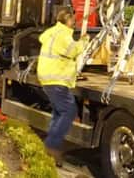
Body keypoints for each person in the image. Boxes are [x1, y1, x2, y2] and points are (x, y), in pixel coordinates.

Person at [37, 8, 88, 165]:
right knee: (69, 111)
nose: (74, 22)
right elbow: (72, 51)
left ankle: (50, 149)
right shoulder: (63, 34)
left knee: (59, 113)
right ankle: (51, 146)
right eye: (72, 19)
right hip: (56, 79)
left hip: (49, 78)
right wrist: (84, 41)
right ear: (67, 20)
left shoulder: (53, 32)